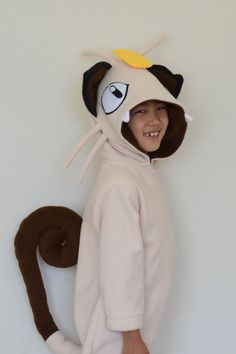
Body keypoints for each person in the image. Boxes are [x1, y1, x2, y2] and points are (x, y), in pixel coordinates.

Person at [15, 38, 189, 354]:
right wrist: (132, 338)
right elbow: (120, 264)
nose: (154, 120)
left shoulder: (137, 170)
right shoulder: (121, 184)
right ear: (116, 117)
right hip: (118, 340)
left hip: (130, 334)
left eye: (160, 107)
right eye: (140, 111)